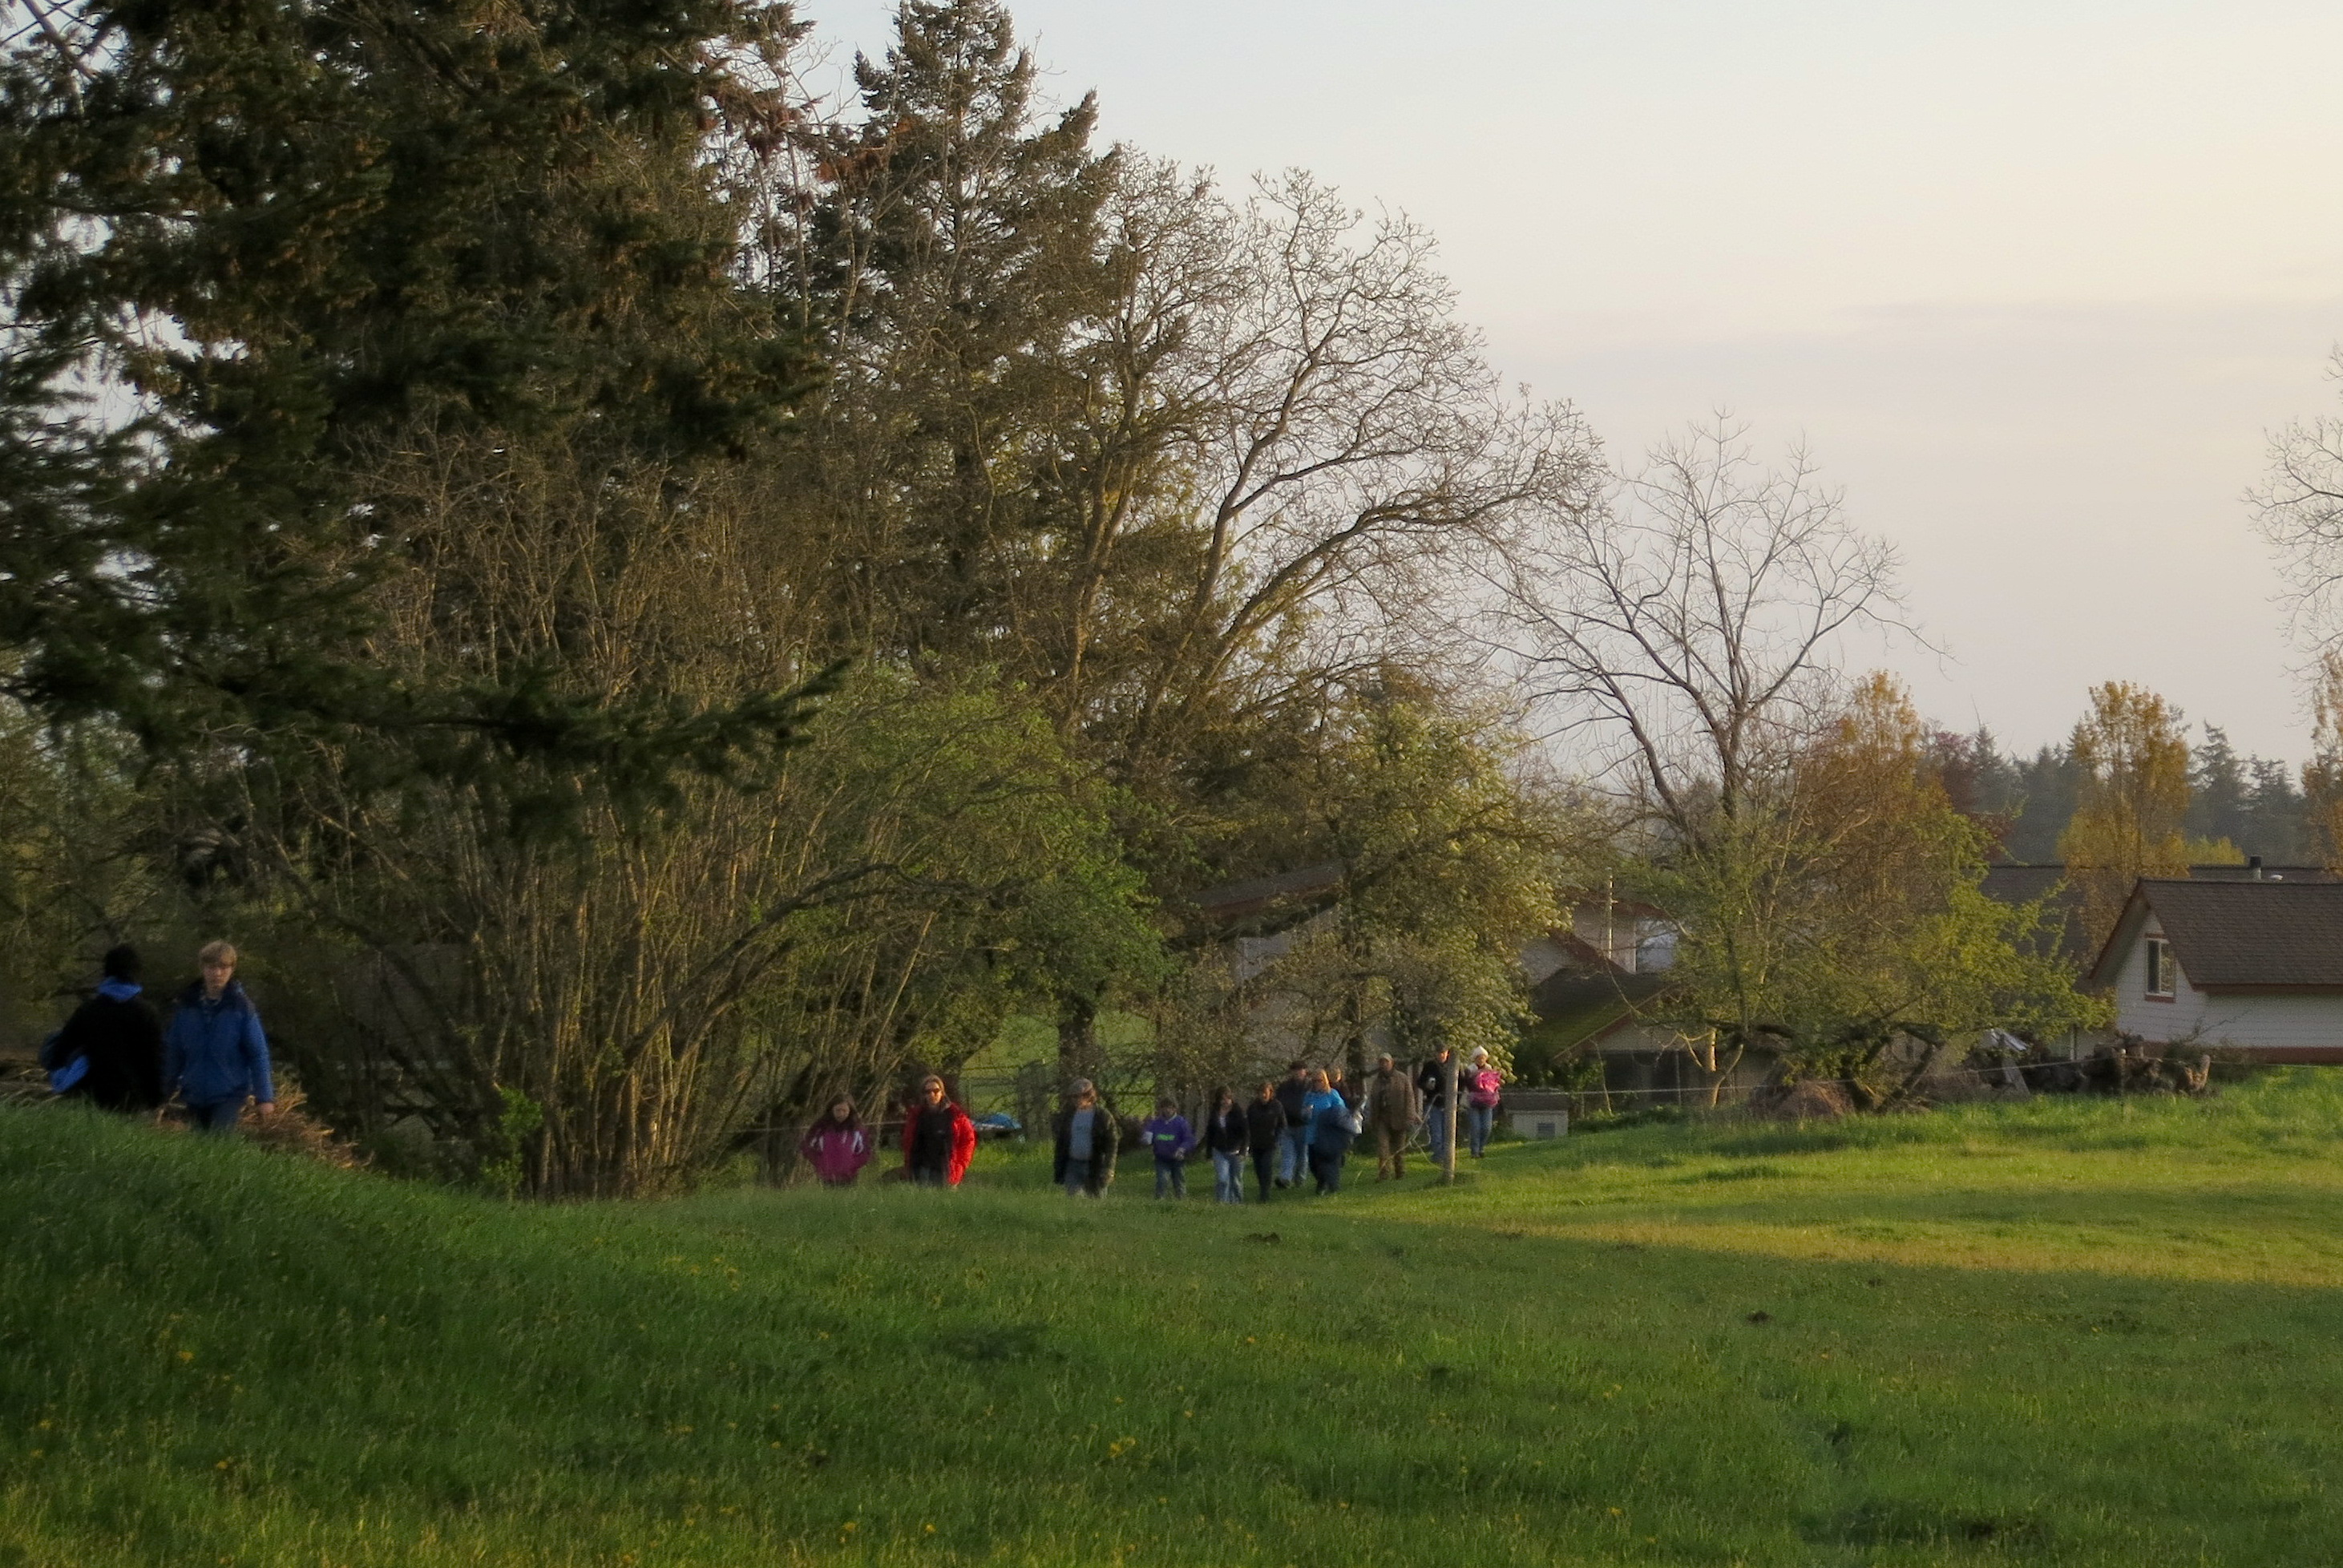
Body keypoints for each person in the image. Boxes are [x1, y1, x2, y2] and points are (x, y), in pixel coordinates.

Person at [163, 941, 273, 1134]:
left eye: (223, 967)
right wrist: (164, 1091)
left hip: (228, 1094)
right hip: (194, 1093)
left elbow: (258, 1054)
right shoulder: (187, 1006)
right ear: (202, 968)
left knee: (219, 1140)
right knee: (198, 1147)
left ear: (232, 969)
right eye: (212, 967)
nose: (218, 973)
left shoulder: (241, 1008)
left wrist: (264, 1098)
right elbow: (174, 1052)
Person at [49, 945, 164, 1113]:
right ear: (136, 973)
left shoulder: (89, 1010)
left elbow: (61, 1051)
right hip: (133, 1098)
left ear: (107, 973)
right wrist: (156, 1098)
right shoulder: (147, 1012)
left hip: (92, 1095)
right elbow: (155, 1059)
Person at [899, 1074, 976, 1187]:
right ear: (923, 1095)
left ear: (942, 1092)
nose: (932, 1095)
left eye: (936, 1091)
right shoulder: (916, 1117)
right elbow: (908, 1143)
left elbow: (968, 1141)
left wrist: (961, 1165)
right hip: (922, 1170)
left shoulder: (956, 1116)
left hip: (947, 1170)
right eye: (928, 1092)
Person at [1052, 1078, 1119, 1198]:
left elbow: (1112, 1143)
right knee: (1074, 1200)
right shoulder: (1068, 1115)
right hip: (1072, 1165)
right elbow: (1061, 1141)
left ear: (1089, 1096)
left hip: (1095, 1165)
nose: (1075, 1100)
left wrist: (1109, 1168)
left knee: (1096, 1201)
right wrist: (1059, 1164)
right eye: (1073, 1097)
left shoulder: (1103, 1116)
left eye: (1078, 1097)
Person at [1363, 1053, 1418, 1180]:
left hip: (1400, 1117)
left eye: (1386, 1062)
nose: (1384, 1064)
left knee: (1399, 1149)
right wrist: (1372, 1120)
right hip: (1382, 1118)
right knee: (1383, 1148)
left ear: (1392, 1063)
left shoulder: (1402, 1078)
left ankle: (1400, 1172)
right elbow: (1373, 1101)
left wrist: (1410, 1117)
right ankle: (1384, 1174)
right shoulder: (1377, 1082)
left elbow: (1410, 1099)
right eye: (1381, 1062)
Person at [1301, 1069, 1354, 1194]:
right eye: (1314, 1081)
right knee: (1313, 1164)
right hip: (1312, 1133)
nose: (1317, 1083)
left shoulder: (1332, 1094)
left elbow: (1341, 1112)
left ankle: (1325, 1184)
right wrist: (1306, 1112)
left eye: (1319, 1081)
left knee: (1324, 1161)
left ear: (1325, 1081)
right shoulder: (1309, 1096)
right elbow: (1302, 1113)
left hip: (1327, 1134)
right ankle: (1322, 1181)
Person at [799, 1097, 872, 1187]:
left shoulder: (857, 1130)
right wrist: (820, 1163)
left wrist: (853, 1165)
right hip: (826, 1177)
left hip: (849, 1177)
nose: (841, 1114)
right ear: (832, 1110)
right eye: (838, 1110)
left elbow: (865, 1151)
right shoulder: (820, 1129)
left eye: (844, 1110)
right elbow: (807, 1147)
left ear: (850, 1111)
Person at [1201, 1086, 1248, 1204]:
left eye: (1227, 1098)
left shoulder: (1238, 1112)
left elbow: (1246, 1133)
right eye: (1222, 1099)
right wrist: (1209, 1154)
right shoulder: (1215, 1112)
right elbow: (1210, 1133)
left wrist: (1243, 1151)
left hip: (1236, 1151)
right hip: (1220, 1151)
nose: (1225, 1101)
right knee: (1223, 1179)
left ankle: (1236, 1203)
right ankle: (1222, 1203)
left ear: (1231, 1098)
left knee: (1236, 1181)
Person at [1139, 1096, 1194, 1199]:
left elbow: (1189, 1139)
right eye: (1164, 1107)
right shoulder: (1156, 1123)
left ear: (1175, 1109)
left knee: (1179, 1181)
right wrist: (1146, 1138)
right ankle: (1160, 1200)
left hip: (1177, 1159)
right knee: (1162, 1180)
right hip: (1161, 1158)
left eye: (1170, 1107)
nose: (1167, 1110)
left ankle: (1181, 1201)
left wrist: (1182, 1149)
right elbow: (1147, 1136)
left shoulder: (1181, 1123)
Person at [1271, 1061, 1312, 1188]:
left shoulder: (1310, 1087)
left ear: (1305, 1071)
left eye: (1300, 1070)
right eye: (1295, 1070)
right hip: (1286, 1125)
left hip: (1303, 1125)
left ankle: (1299, 1179)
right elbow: (1277, 1104)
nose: (1297, 1072)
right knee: (1287, 1153)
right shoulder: (1284, 1087)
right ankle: (1286, 1178)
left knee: (1302, 1155)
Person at [1243, 1080, 1285, 1202]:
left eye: (1265, 1092)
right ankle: (1263, 1186)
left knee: (1266, 1166)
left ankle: (1265, 1193)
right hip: (1256, 1143)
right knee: (1258, 1169)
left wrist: (1277, 1138)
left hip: (1270, 1143)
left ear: (1270, 1093)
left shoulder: (1277, 1106)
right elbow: (1247, 1125)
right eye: (1260, 1093)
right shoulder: (1253, 1107)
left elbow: (1282, 1124)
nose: (1263, 1095)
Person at [1464, 1047, 1505, 1158]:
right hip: (1473, 1102)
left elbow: (1494, 1085)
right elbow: (1467, 1085)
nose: (1481, 1060)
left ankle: (1481, 1148)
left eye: (1483, 1057)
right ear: (1475, 1058)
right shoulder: (1469, 1070)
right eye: (1479, 1057)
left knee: (1487, 1128)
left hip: (1487, 1102)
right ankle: (1475, 1151)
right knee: (1475, 1127)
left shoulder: (1490, 1069)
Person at [1416, 1045, 1454, 1164]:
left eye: (1443, 1053)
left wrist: (1456, 1098)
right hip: (1434, 1102)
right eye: (1439, 1053)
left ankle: (1448, 1155)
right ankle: (1438, 1155)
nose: (1441, 1055)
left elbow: (1462, 1081)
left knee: (1448, 1131)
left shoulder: (1452, 1065)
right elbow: (1420, 1082)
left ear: (1447, 1053)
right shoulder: (1430, 1066)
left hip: (1449, 1103)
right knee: (1436, 1131)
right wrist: (1427, 1086)